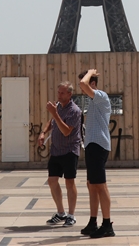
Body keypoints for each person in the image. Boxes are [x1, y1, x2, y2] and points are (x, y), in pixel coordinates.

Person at [37, 82, 82, 227]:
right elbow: (52, 122)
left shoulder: (74, 111)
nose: (59, 95)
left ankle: (71, 215)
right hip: (56, 150)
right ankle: (60, 212)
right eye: (58, 92)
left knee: (70, 182)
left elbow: (66, 131)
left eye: (62, 93)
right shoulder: (57, 107)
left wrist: (55, 113)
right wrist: (43, 132)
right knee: (52, 180)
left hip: (70, 150)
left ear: (69, 94)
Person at [78, 69, 115, 238]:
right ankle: (93, 222)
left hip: (98, 145)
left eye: (86, 84)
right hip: (92, 145)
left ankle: (107, 224)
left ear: (92, 84)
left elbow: (82, 84)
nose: (82, 90)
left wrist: (90, 72)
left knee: (101, 185)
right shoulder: (92, 100)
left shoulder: (101, 95)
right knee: (92, 185)